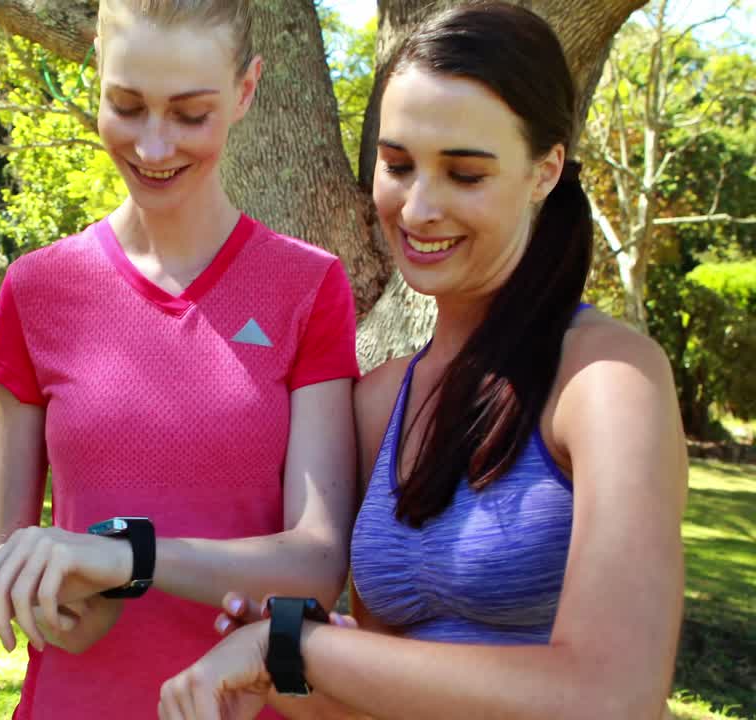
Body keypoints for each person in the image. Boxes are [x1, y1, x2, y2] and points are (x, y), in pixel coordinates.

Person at [157, 4, 688, 719]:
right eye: (398, 164)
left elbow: (612, 696)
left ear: (545, 170)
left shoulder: (609, 382)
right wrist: (279, 676)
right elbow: (395, 698)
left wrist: (295, 648)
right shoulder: (379, 401)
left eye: (465, 174)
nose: (418, 207)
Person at [0, 0, 360, 717]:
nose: (153, 147)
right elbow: (3, 574)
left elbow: (318, 566)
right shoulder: (37, 289)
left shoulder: (309, 288)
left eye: (190, 115)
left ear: (245, 92)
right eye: (127, 105)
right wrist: (55, 605)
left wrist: (129, 559)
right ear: (96, 74)